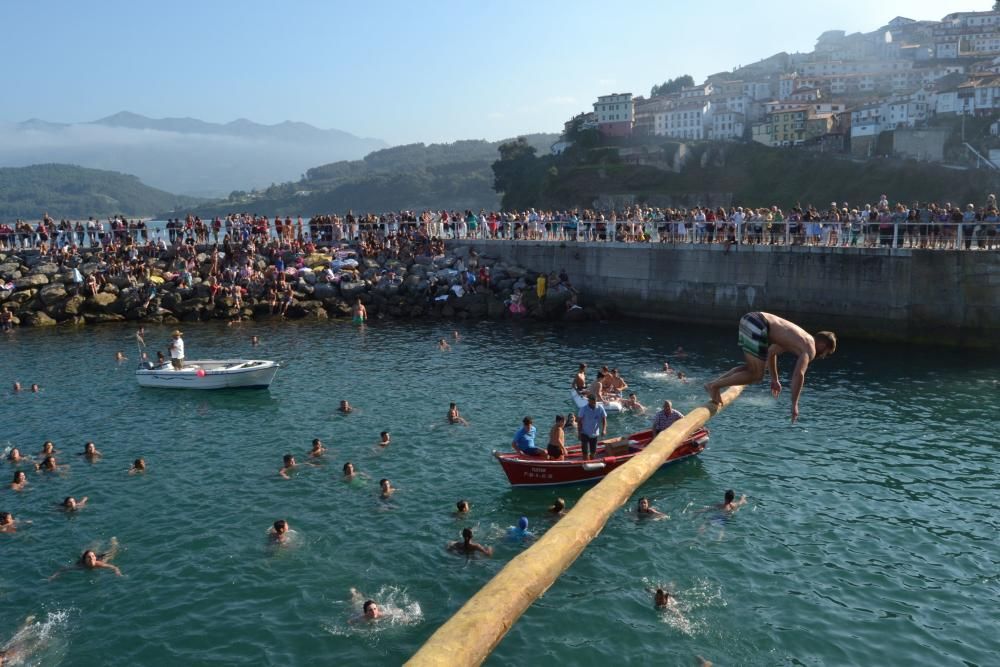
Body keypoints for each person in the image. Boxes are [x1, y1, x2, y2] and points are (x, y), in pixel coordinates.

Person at [705, 312, 836, 422]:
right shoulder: (810, 349)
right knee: (756, 375)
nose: (823, 356)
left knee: (751, 369)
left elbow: (771, 352)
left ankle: (712, 383)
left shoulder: (799, 338)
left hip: (750, 319)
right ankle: (715, 386)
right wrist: (795, 404)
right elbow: (799, 374)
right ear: (824, 346)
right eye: (827, 353)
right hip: (759, 324)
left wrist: (775, 379)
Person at [50, 538, 122, 579]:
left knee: (112, 552)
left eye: (92, 557)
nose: (91, 559)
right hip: (84, 561)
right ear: (85, 560)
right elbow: (64, 569)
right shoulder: (81, 566)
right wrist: (54, 576)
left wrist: (117, 572)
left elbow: (114, 567)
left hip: (101, 558)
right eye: (89, 557)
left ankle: (114, 542)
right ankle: (95, 545)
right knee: (87, 551)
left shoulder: (98, 564)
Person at [577, 395, 607, 461]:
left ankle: (591, 461)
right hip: (584, 433)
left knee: (593, 452)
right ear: (588, 401)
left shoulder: (600, 408)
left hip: (594, 434)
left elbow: (604, 419)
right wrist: (579, 433)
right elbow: (579, 421)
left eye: (595, 402)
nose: (594, 403)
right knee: (585, 451)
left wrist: (604, 429)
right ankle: (585, 462)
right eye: (592, 402)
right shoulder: (583, 409)